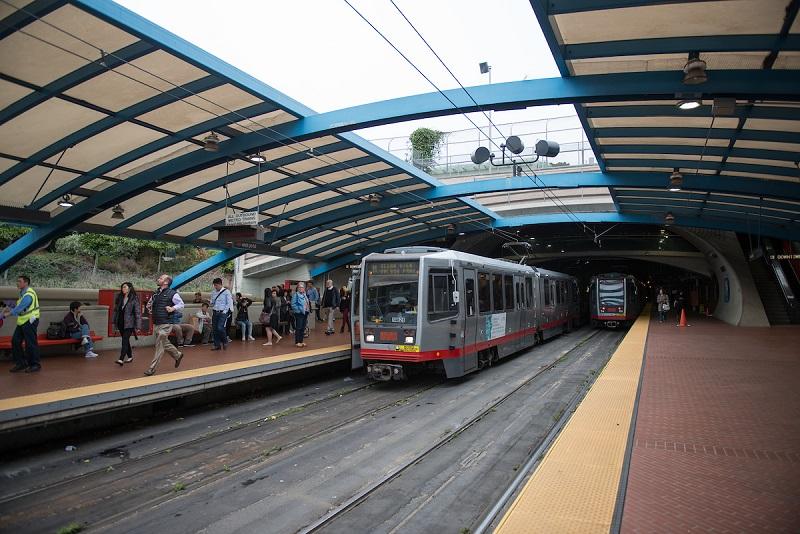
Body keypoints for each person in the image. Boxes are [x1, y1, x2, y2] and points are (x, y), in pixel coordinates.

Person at [144, 274, 184, 376]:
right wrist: (150, 309)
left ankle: (152, 368)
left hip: (166, 323)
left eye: (161, 278)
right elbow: (149, 304)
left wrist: (172, 308)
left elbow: (181, 304)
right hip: (157, 322)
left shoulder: (173, 294)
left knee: (159, 345)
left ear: (166, 282)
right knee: (164, 343)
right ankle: (178, 355)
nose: (158, 279)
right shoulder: (156, 293)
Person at [4, 275, 41, 373]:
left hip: (30, 320)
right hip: (23, 320)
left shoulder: (28, 294)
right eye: (17, 281)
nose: (17, 283)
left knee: (30, 343)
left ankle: (35, 364)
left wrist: (6, 315)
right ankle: (21, 363)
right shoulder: (22, 293)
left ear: (26, 283)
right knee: (15, 341)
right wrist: (11, 307)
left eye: (19, 281)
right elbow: (21, 307)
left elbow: (20, 308)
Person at [112, 282, 141, 366]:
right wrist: (114, 320)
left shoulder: (134, 298)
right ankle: (130, 356)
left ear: (130, 288)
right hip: (120, 322)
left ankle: (121, 359)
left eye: (125, 287)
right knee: (125, 340)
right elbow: (116, 310)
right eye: (122, 287)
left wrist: (138, 325)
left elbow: (137, 312)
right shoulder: (119, 297)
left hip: (129, 323)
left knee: (124, 340)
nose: (123, 289)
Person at [210, 277, 233, 351]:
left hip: (223, 312)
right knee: (214, 329)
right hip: (215, 311)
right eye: (214, 285)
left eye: (216, 285)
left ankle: (225, 341)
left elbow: (229, 303)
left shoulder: (227, 292)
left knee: (220, 327)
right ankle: (217, 345)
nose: (215, 287)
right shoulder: (213, 292)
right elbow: (213, 302)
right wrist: (209, 301)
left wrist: (224, 312)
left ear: (220, 284)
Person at [291, 282, 310, 347]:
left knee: (303, 327)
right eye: (300, 287)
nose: (301, 288)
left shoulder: (304, 294)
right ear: (298, 288)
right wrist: (299, 311)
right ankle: (297, 342)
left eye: (302, 287)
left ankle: (301, 341)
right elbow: (293, 305)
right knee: (298, 328)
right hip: (299, 314)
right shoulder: (296, 295)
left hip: (305, 313)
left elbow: (307, 303)